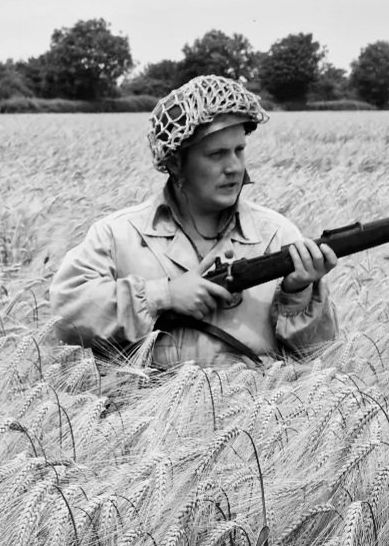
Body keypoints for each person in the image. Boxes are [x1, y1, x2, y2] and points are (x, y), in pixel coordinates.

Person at [50, 74, 338, 368]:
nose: (234, 167)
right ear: (175, 162)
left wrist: (299, 293)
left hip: (249, 409)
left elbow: (319, 360)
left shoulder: (278, 235)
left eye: (239, 150)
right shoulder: (117, 235)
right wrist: (163, 295)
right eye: (216, 155)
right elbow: (65, 316)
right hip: (142, 411)